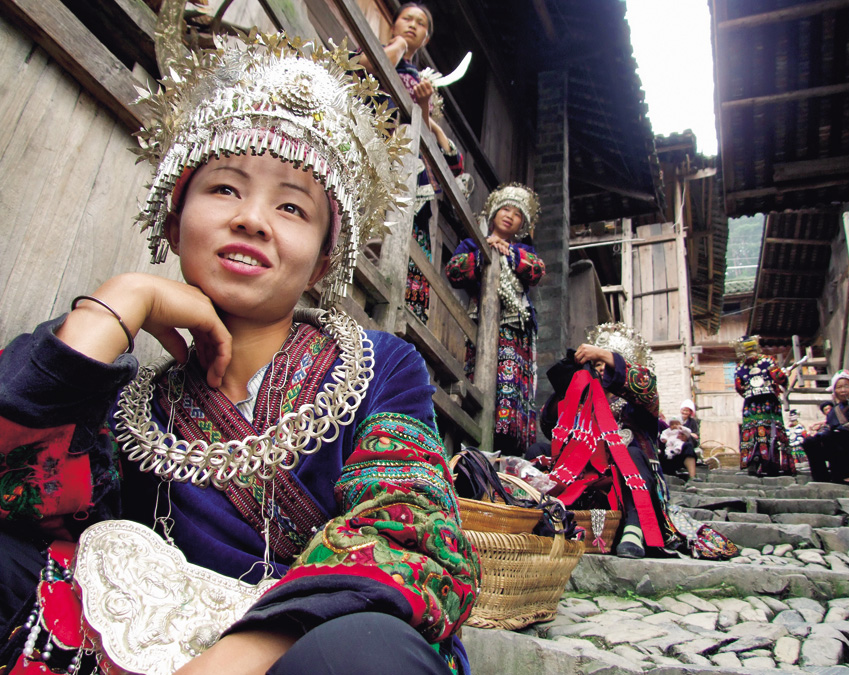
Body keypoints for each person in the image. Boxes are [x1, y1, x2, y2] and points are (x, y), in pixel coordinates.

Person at [0, 36, 478, 675]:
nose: (253, 220)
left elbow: (407, 529)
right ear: (174, 220)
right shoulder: (127, 405)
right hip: (145, 640)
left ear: (323, 261)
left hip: (306, 642)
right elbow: (21, 499)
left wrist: (239, 654)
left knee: (364, 654)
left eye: (291, 207)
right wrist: (117, 305)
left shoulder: (382, 366)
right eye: (224, 189)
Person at [358, 3, 465, 326]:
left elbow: (453, 163)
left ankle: (404, 325)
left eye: (420, 24)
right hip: (374, 154)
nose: (413, 25)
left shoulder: (423, 85)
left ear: (427, 38)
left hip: (412, 178)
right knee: (370, 233)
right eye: (407, 19)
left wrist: (423, 107)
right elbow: (367, 70)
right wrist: (400, 45)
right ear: (394, 23)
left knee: (410, 245)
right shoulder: (379, 50)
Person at [547, 323, 670, 559]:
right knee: (539, 451)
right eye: (597, 364)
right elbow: (550, 426)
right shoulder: (587, 398)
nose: (601, 368)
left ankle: (635, 530)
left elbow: (648, 388)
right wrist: (567, 385)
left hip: (630, 482)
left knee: (631, 454)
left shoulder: (639, 402)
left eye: (607, 363)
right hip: (588, 478)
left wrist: (603, 353)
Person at [445, 184, 544, 456]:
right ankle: (474, 435)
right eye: (505, 209)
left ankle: (508, 440)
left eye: (517, 214)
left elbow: (536, 271)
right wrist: (483, 252)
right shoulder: (473, 243)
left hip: (515, 330)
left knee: (510, 387)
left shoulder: (524, 250)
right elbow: (453, 270)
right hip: (481, 327)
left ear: (522, 224)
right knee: (481, 376)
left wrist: (508, 252)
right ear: (494, 213)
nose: (510, 216)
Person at [733, 336, 795, 477]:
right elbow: (778, 377)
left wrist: (750, 394)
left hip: (751, 403)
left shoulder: (740, 366)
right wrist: (785, 377)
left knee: (753, 431)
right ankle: (772, 463)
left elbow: (739, 387)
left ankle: (753, 460)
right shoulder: (767, 360)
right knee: (771, 430)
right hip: (769, 401)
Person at [802, 371, 849, 484]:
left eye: (846, 386)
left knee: (829, 436)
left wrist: (837, 430)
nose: (843, 390)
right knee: (809, 441)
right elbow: (828, 427)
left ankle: (842, 475)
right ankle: (821, 477)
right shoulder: (833, 411)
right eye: (839, 387)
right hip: (836, 444)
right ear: (834, 391)